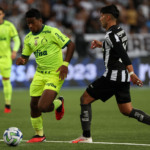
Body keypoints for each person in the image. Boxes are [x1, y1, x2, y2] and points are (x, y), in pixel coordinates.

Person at [72, 4, 150, 143]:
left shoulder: (111, 34)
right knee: (127, 110)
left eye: (101, 16)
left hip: (114, 75)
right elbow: (116, 48)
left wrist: (132, 73)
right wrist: (102, 45)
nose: (100, 19)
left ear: (107, 17)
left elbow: (123, 54)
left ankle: (86, 136)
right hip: (122, 77)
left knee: (85, 99)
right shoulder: (120, 31)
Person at [16, 8, 75, 143]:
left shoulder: (52, 32)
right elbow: (25, 56)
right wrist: (22, 60)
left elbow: (71, 45)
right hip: (39, 74)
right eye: (28, 23)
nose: (30, 26)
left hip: (55, 74)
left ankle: (59, 103)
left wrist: (65, 65)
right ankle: (39, 135)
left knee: (43, 107)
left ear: (40, 21)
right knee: (33, 105)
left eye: (32, 23)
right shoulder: (28, 38)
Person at [0, 7, 21, 113]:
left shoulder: (9, 25)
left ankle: (7, 105)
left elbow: (17, 40)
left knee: (6, 81)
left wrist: (14, 51)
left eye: (0, 14)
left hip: (5, 58)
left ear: (3, 14)